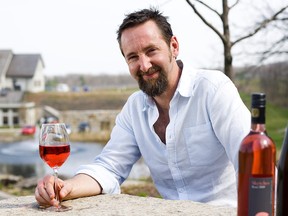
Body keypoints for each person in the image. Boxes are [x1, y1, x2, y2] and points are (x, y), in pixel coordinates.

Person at [35, 8, 250, 207]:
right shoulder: (134, 108)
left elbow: (251, 161)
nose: (144, 65)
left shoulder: (213, 90)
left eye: (151, 50)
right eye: (133, 57)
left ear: (173, 46)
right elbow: (109, 166)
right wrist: (68, 187)